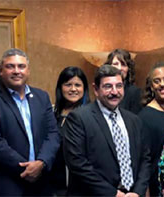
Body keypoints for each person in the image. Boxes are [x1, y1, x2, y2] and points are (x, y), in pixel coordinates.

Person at [0, 48, 60, 195]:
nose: (16, 71)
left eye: (21, 66)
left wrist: (42, 163)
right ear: (1, 71)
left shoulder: (41, 97)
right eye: (10, 66)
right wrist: (27, 169)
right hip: (6, 184)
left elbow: (53, 134)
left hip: (41, 184)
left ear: (28, 71)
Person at [63, 64, 151, 196]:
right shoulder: (78, 119)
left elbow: (145, 160)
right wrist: (113, 193)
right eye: (108, 86)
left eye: (119, 86)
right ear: (96, 89)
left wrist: (137, 192)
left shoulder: (134, 120)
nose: (115, 92)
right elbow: (77, 164)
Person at [137, 62, 164, 196]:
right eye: (157, 81)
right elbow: (143, 161)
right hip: (158, 187)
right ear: (151, 86)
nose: (162, 84)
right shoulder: (145, 117)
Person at [52, 66, 90, 195]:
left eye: (78, 85)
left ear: (84, 88)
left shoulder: (91, 116)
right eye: (68, 85)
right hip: (54, 183)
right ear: (60, 87)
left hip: (81, 185)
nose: (73, 89)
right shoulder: (52, 114)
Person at [105, 49, 143, 114]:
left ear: (128, 69)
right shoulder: (103, 90)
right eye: (115, 64)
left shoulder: (134, 92)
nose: (119, 68)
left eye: (123, 64)